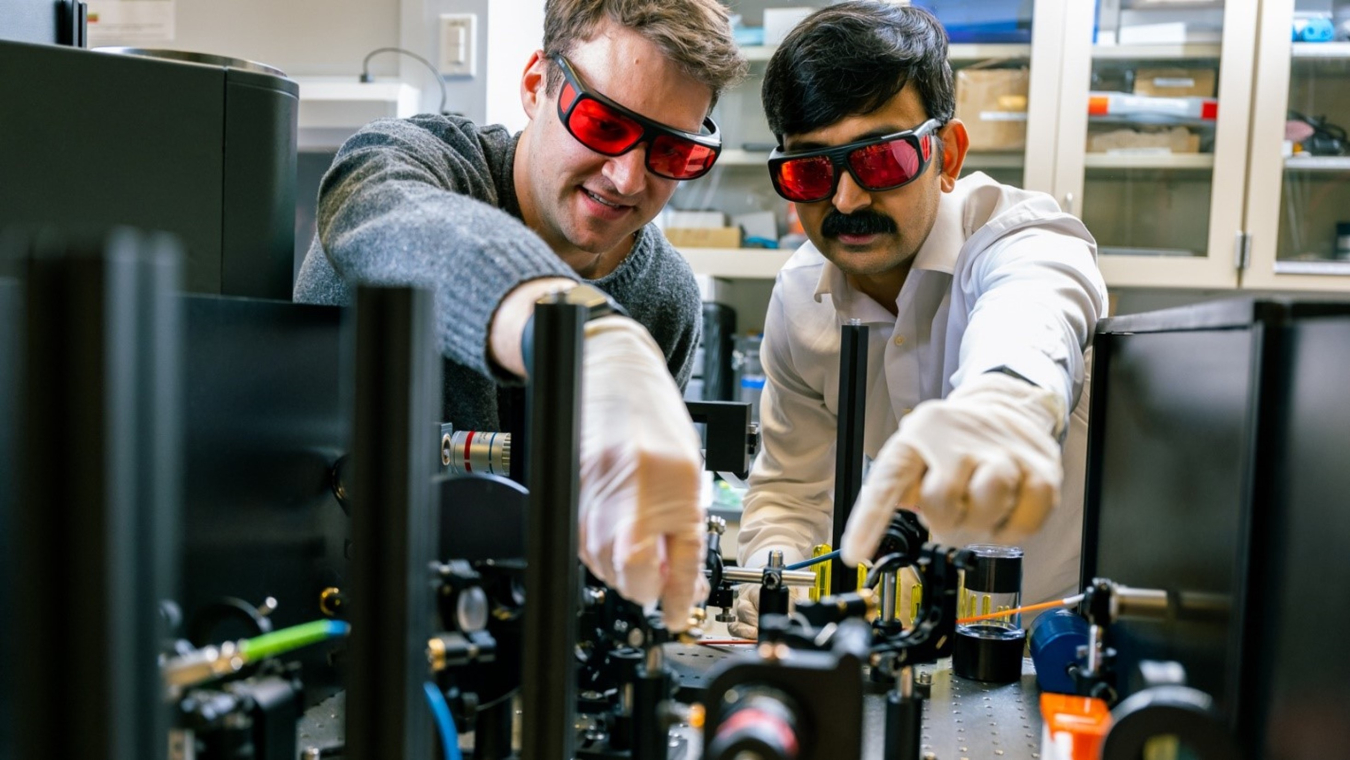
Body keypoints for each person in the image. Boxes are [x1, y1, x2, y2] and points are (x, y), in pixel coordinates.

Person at [294, 0, 747, 631]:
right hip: (324, 631)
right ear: (538, 85)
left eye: (672, 151)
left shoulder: (664, 296)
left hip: (513, 654)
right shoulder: (416, 165)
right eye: (605, 125)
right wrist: (580, 330)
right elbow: (378, 209)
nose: (626, 177)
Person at [731, 2, 1107, 637]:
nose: (846, 199)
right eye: (810, 170)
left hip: (1044, 651)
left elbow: (1037, 307)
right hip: (901, 648)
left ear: (947, 155)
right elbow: (790, 491)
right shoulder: (801, 298)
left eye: (881, 160)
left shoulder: (1020, 237)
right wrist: (782, 580)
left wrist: (1001, 407)